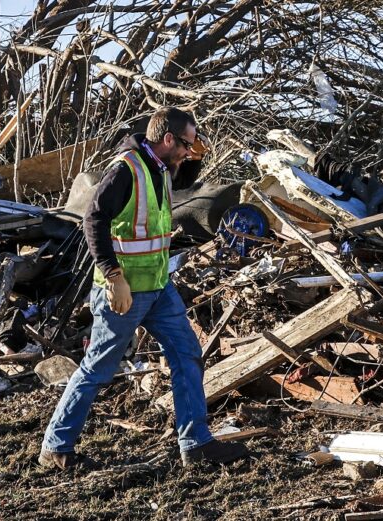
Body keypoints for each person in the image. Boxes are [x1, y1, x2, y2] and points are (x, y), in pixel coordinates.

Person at [39, 107, 249, 469]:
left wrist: (195, 159)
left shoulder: (158, 167)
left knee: (187, 355)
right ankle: (56, 448)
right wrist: (114, 277)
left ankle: (196, 444)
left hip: (158, 286)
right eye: (185, 144)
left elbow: (178, 188)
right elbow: (94, 219)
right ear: (167, 139)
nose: (187, 151)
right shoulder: (126, 169)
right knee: (97, 370)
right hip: (125, 292)